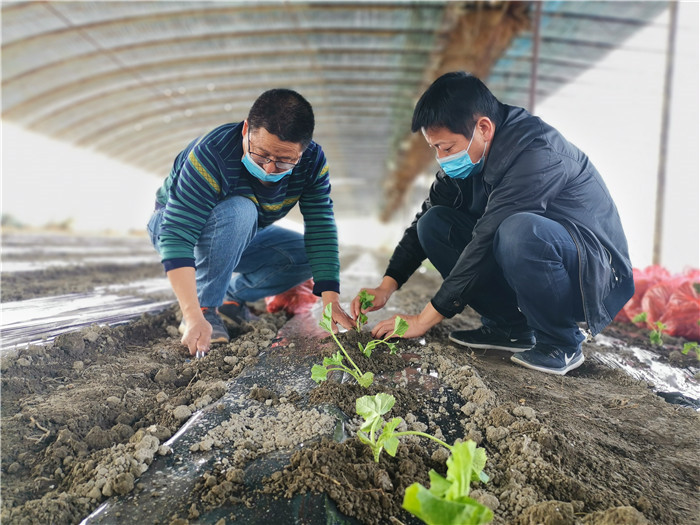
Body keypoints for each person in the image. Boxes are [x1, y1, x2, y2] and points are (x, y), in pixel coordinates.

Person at [351, 72, 634, 376]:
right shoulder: (467, 160)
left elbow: (486, 239)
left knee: (518, 231)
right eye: (434, 148)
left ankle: (561, 342)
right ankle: (509, 328)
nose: (441, 158)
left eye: (446, 148)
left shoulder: (538, 152)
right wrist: (386, 285)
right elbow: (423, 221)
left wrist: (423, 319)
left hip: (589, 271)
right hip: (536, 257)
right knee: (434, 224)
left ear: (483, 127)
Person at [148, 88, 354, 356]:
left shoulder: (313, 163)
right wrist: (193, 313)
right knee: (241, 209)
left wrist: (331, 301)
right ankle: (205, 308)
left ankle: (231, 298)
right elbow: (177, 233)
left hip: (240, 231)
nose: (269, 168)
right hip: (172, 223)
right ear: (246, 130)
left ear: (303, 152)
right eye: (261, 154)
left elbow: (321, 226)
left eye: (283, 161)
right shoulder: (213, 153)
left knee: (304, 254)